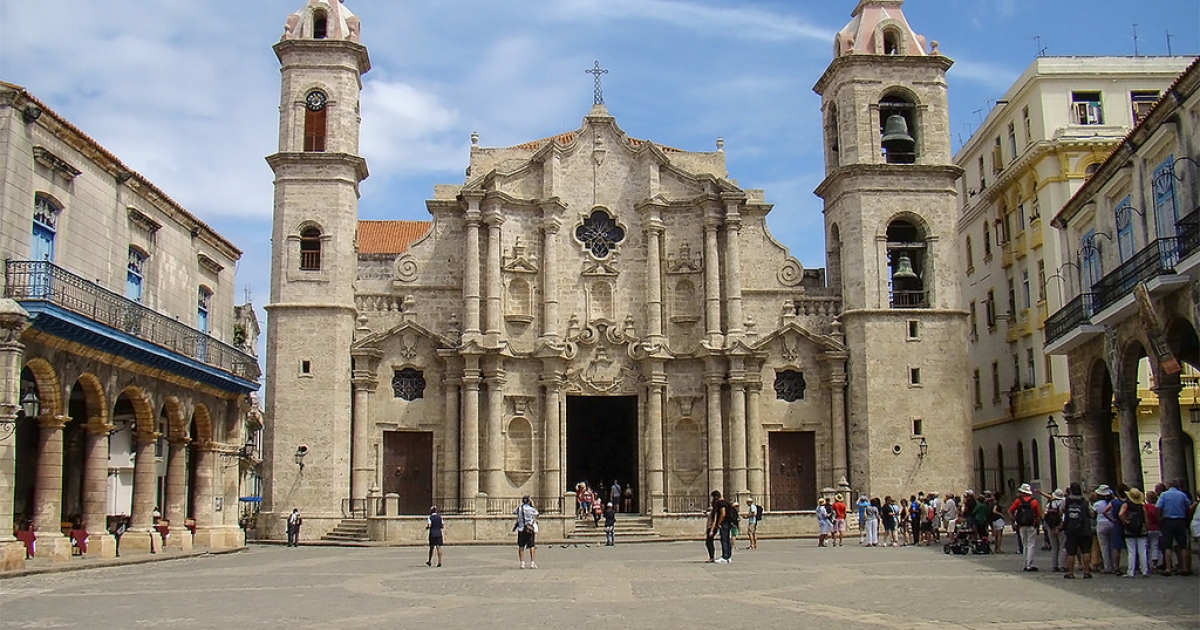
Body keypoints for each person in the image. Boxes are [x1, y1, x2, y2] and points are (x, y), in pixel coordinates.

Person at [1155, 478, 1191, 576]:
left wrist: (1160, 518)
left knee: (1167, 546)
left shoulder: (1164, 495)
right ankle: (1184, 568)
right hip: (1180, 521)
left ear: (1169, 486)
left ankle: (1168, 568)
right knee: (1182, 545)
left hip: (1168, 521)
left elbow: (1158, 508)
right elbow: (1188, 507)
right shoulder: (1182, 495)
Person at [1062, 482, 1094, 579]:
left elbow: (1062, 510)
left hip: (1071, 529)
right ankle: (1086, 572)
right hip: (1084, 529)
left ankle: (1070, 572)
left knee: (1071, 552)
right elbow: (1092, 513)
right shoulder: (1085, 501)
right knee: (1085, 551)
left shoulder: (1067, 501)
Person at [1007, 483, 1041, 572]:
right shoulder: (1034, 501)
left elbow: (1010, 511)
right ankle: (1029, 564)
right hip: (1031, 525)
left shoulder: (1018, 501)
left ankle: (1025, 563)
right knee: (1031, 544)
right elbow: (1038, 514)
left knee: (1025, 544)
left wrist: (1015, 520)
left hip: (1021, 525)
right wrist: (1037, 524)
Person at [1120, 488, 1149, 577]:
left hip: (1129, 530)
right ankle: (1144, 570)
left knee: (1131, 551)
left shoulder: (1126, 505)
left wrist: (1125, 521)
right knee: (1142, 551)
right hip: (1141, 529)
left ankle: (1131, 571)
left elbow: (1120, 514)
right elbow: (1146, 517)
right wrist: (1146, 527)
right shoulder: (1142, 505)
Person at [1093, 484, 1116, 573]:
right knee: (1112, 546)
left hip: (1101, 524)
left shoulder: (1097, 504)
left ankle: (1107, 566)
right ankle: (1114, 565)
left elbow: (1093, 515)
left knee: (1104, 547)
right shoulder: (1112, 502)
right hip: (1112, 523)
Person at [1042, 488, 1066, 572]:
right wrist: (1059, 527)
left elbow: (1045, 516)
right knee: (1062, 546)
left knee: (1054, 547)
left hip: (1051, 527)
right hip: (1061, 528)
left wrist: (1050, 527)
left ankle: (1054, 566)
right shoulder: (1063, 503)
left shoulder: (1050, 504)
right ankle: (1062, 565)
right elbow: (1064, 517)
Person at [515, 495, 538, 569]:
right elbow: (537, 513)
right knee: (532, 546)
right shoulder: (531, 509)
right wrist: (533, 505)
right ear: (529, 501)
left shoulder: (519, 508)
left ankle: (522, 563)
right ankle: (532, 562)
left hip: (521, 529)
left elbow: (514, 512)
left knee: (521, 546)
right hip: (529, 529)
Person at [709, 490, 733, 563]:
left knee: (724, 540)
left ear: (716, 497)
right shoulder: (726, 502)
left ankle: (725, 556)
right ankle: (728, 556)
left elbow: (723, 514)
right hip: (728, 522)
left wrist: (719, 523)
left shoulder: (721, 503)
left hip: (724, 523)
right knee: (727, 539)